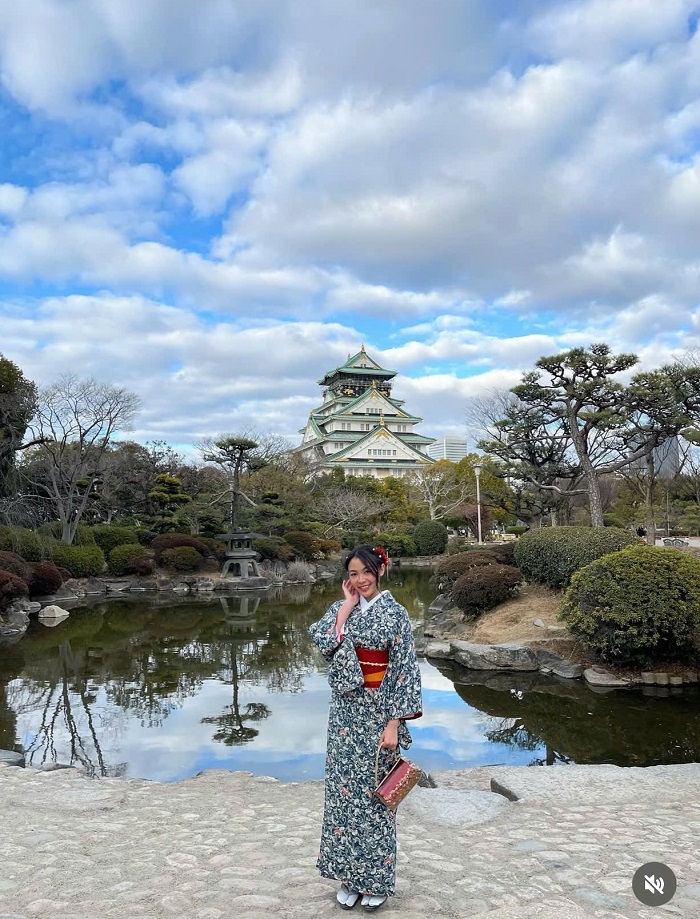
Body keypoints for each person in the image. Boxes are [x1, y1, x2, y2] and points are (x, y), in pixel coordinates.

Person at [308, 545, 423, 912]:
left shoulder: (396, 614)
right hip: (344, 715)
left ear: (381, 570)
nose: (360, 580)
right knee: (344, 797)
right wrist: (344, 608)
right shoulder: (344, 608)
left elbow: (405, 670)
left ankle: (376, 880)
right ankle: (349, 878)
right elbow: (324, 642)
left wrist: (394, 723)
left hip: (378, 713)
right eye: (353, 574)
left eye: (366, 572)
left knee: (376, 799)